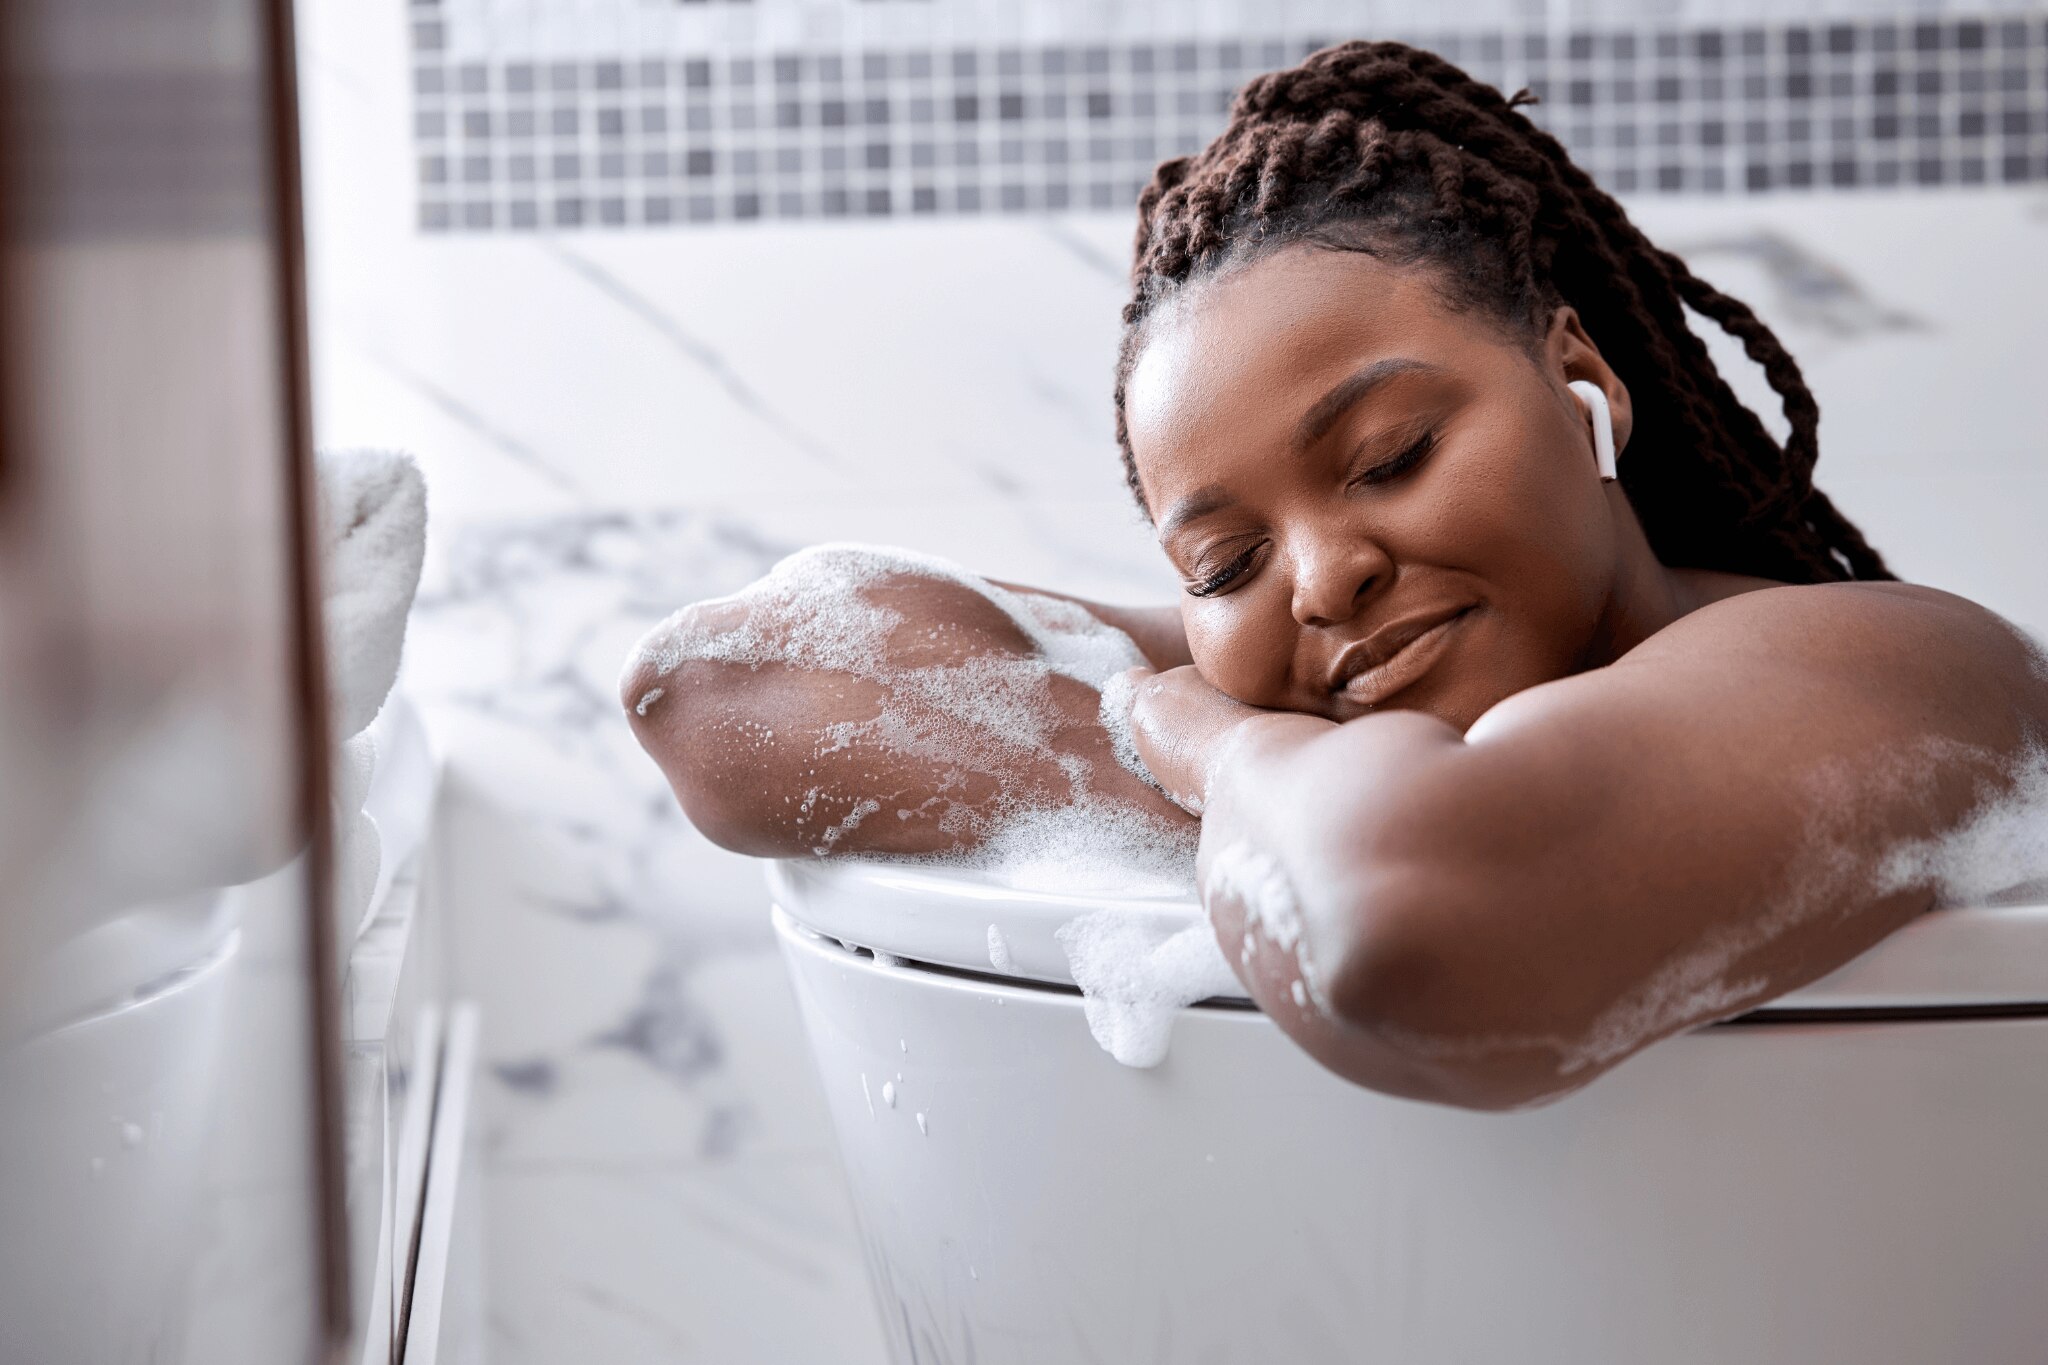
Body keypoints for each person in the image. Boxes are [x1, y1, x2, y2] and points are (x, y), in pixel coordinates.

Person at [623, 41, 2048, 1110]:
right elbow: (711, 691)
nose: (1320, 579)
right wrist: (1274, 773)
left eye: (1391, 455)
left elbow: (1410, 926)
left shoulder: (1902, 663)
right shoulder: (1307, 680)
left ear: (1584, 379)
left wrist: (1211, 741)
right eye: (1226, 559)